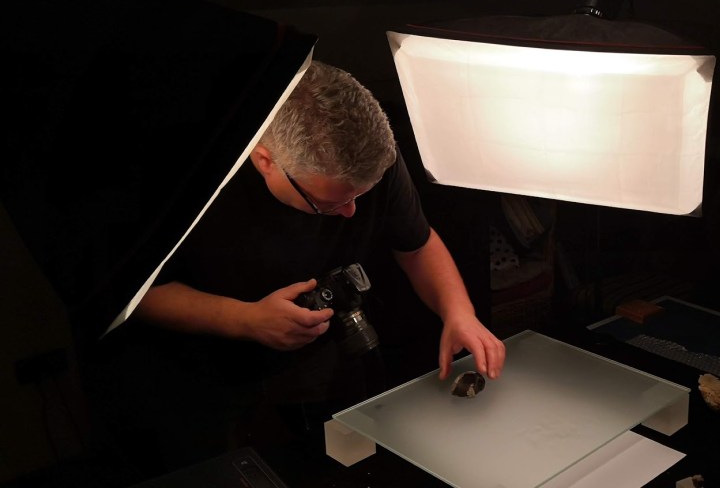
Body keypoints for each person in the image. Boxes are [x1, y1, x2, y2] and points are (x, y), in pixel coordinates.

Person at [95, 59, 505, 473]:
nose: (352, 212)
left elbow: (416, 245)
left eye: (362, 195)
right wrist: (245, 320)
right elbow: (130, 294)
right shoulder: (183, 181)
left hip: (315, 358)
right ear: (265, 161)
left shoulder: (371, 160)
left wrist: (459, 312)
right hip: (192, 368)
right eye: (329, 203)